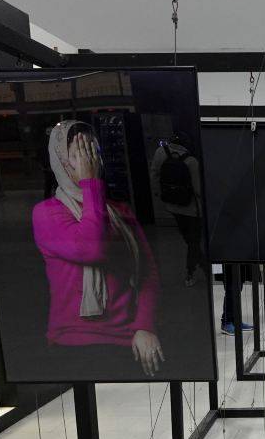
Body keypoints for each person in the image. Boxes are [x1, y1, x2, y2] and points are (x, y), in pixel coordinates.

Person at [34, 120, 164, 377]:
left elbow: (147, 273)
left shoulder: (119, 210)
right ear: (61, 162)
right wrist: (91, 185)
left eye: (93, 151)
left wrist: (144, 326)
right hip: (75, 340)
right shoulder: (46, 213)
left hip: (128, 336)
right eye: (78, 155)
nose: (89, 161)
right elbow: (92, 248)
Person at [150, 131, 204, 287]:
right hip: (192, 209)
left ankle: (201, 265)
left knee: (189, 239)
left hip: (172, 206)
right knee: (194, 241)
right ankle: (191, 272)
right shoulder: (191, 161)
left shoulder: (160, 152)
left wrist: (159, 194)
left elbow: (154, 175)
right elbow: (198, 189)